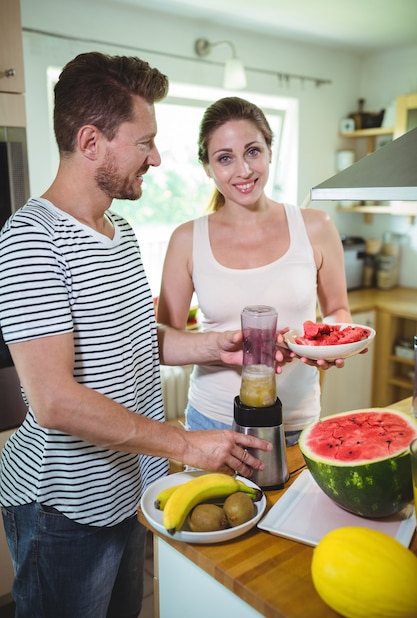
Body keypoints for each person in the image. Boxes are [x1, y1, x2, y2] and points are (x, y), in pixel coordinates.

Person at [0, 55, 272, 618]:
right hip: (63, 506)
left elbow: (131, 339)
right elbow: (53, 401)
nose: (156, 157)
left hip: (126, 487)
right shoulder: (31, 239)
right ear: (92, 142)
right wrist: (185, 443)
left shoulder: (118, 231)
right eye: (144, 142)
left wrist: (215, 345)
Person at [157, 96, 352, 446]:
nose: (244, 171)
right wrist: (221, 347)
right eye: (225, 158)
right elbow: (162, 342)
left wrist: (326, 346)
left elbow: (338, 311)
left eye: (252, 151)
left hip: (295, 422)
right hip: (212, 423)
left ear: (270, 151)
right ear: (207, 167)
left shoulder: (317, 226)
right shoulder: (187, 239)